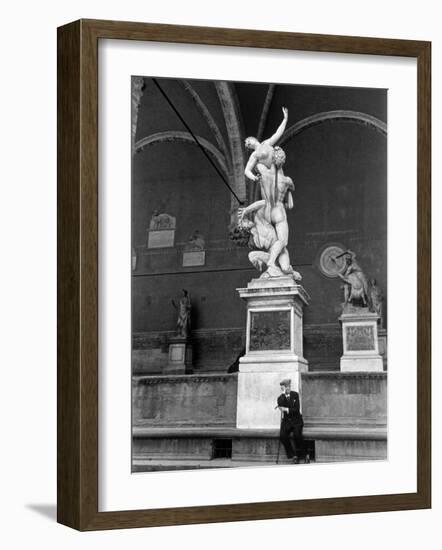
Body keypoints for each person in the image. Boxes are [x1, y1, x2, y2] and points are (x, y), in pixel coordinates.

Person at [276, 379, 308, 464]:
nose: (288, 388)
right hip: (287, 422)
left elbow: (296, 410)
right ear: (283, 388)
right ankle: (293, 455)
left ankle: (305, 454)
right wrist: (283, 394)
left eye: (289, 386)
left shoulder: (295, 395)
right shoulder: (280, 398)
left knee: (297, 435)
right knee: (282, 436)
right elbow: (280, 403)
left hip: (296, 420)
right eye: (286, 387)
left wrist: (286, 409)